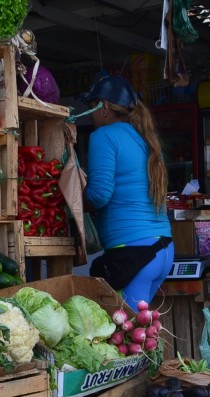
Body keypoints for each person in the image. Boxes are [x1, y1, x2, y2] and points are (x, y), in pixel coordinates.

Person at [81, 75, 174, 311]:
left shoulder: (103, 136)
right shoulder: (145, 139)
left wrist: (73, 200)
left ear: (104, 107)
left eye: (92, 107)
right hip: (162, 250)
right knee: (139, 327)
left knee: (127, 330)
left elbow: (99, 195)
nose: (90, 115)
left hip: (133, 254)